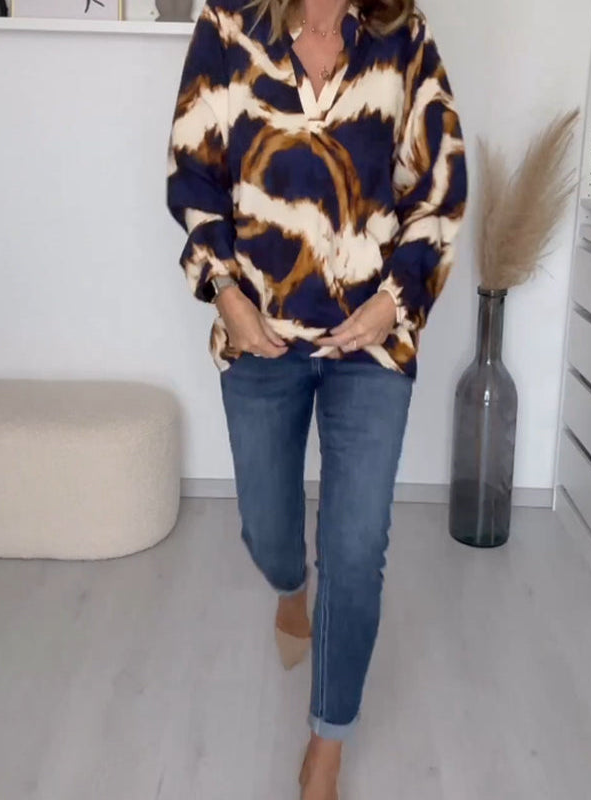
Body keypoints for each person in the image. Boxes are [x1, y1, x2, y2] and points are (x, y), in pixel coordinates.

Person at [167, 0, 467, 794]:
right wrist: (226, 294)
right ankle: (288, 589)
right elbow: (193, 174)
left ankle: (326, 745)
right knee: (268, 531)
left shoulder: (403, 36)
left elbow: (440, 187)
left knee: (357, 548)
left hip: (371, 343)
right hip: (259, 336)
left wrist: (396, 301)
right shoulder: (228, 25)